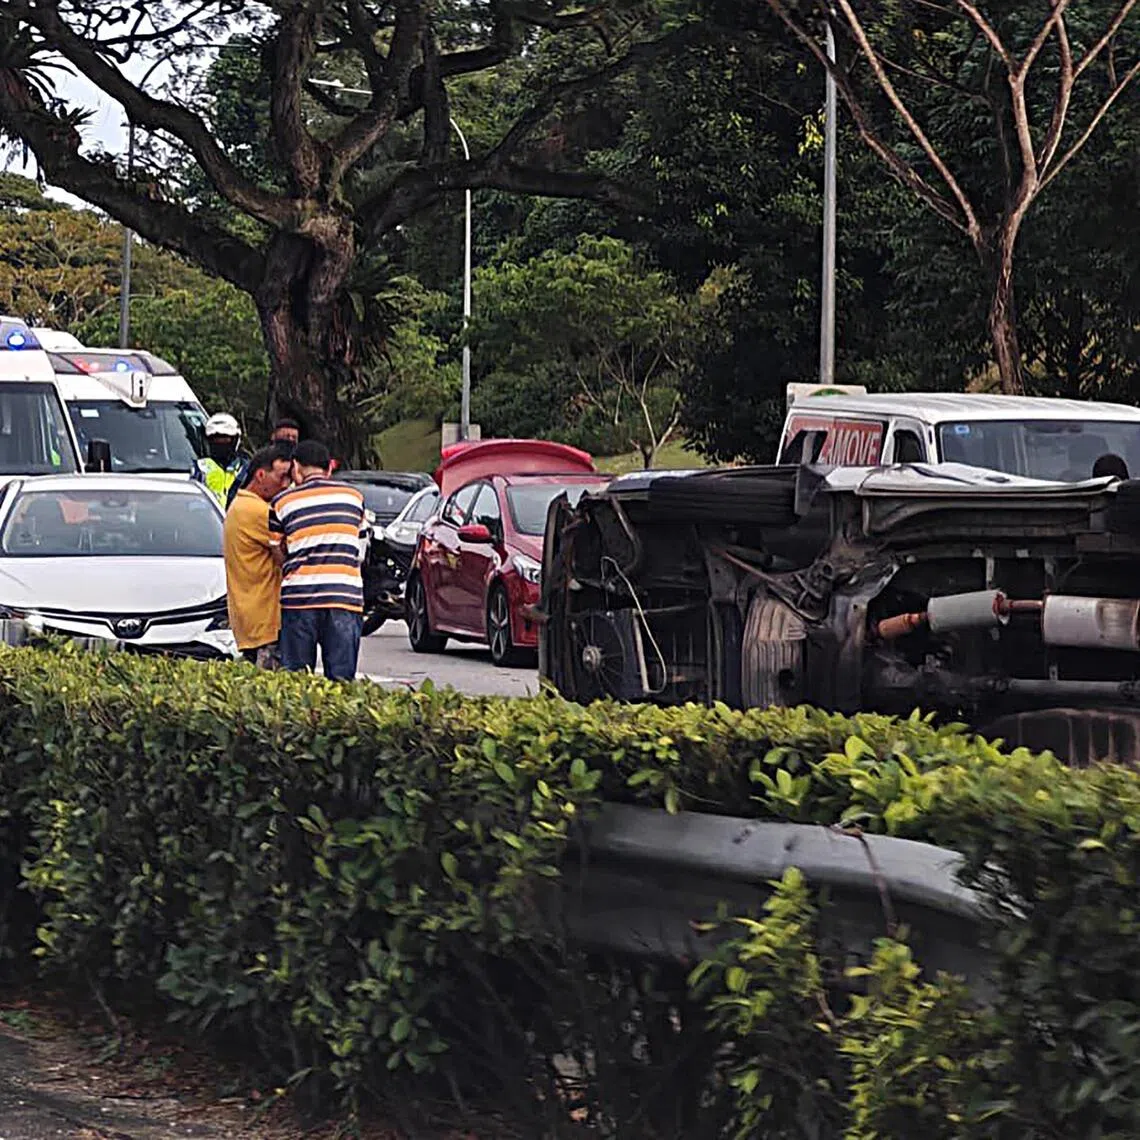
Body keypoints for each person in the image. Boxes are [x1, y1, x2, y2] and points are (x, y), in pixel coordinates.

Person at [269, 440, 369, 680]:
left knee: (295, 682)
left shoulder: (281, 503)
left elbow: (276, 552)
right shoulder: (354, 498)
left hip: (299, 600)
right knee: (341, 684)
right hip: (344, 599)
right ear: (329, 469)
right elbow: (362, 550)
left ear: (296, 467)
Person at [223, 444, 293, 667]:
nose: (286, 485)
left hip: (251, 618)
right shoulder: (257, 511)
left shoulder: (240, 505)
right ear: (261, 475)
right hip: (266, 621)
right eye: (282, 477)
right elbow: (295, 544)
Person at [225, 418, 303, 511]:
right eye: (286, 436)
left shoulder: (300, 465)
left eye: (294, 438)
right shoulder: (262, 458)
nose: (290, 440)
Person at [195, 413, 246, 507]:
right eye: (215, 439)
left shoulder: (245, 469)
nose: (220, 443)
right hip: (208, 518)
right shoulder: (200, 468)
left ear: (235, 440)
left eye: (225, 439)